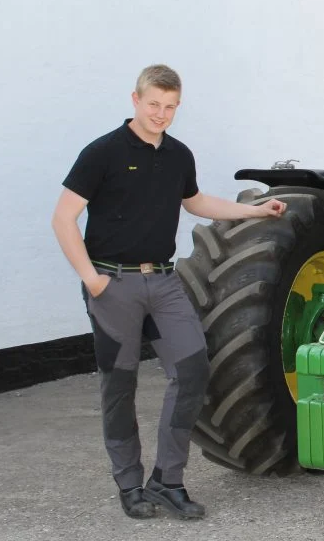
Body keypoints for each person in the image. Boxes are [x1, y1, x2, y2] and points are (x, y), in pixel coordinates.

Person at [51, 65, 287, 519]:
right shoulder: (101, 152)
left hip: (163, 283)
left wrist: (254, 211)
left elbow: (195, 202)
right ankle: (129, 485)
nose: (161, 114)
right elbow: (64, 218)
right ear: (135, 100)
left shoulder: (178, 155)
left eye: (171, 106)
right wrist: (92, 279)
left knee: (193, 370)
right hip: (112, 284)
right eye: (154, 104)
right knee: (119, 385)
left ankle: (167, 480)